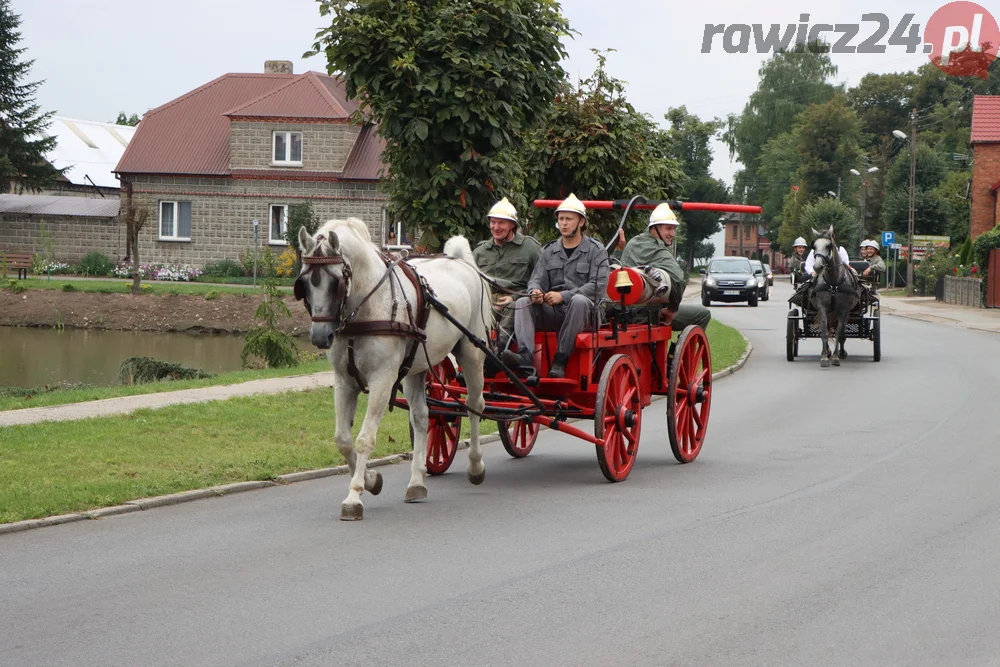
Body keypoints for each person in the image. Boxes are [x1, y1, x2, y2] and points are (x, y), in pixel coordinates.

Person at [502, 193, 609, 378]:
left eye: (569, 219)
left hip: (588, 313)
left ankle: (560, 360)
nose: (564, 223)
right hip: (555, 312)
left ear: (581, 222)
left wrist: (564, 296)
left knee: (578, 301)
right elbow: (536, 279)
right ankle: (525, 356)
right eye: (561, 219)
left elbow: (597, 286)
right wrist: (535, 291)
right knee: (522, 303)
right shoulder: (549, 250)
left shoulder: (596, 250)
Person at [619, 203, 711, 331]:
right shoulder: (657, 249)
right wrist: (672, 310)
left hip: (620, 312)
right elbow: (679, 280)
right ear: (654, 228)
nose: (672, 233)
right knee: (703, 314)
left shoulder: (633, 242)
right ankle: (677, 348)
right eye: (668, 228)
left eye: (673, 229)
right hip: (646, 314)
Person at [472, 197, 541, 350]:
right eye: (493, 222)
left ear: (512, 225)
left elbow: (540, 280)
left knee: (513, 306)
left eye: (501, 223)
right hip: (486, 302)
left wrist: (515, 296)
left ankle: (498, 350)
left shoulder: (530, 247)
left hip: (517, 302)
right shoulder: (480, 251)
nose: (496, 227)